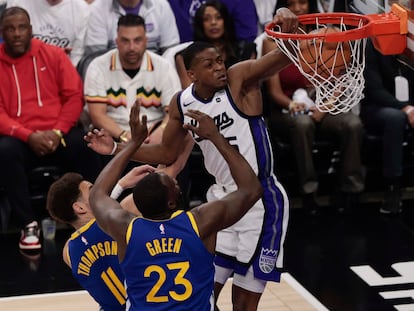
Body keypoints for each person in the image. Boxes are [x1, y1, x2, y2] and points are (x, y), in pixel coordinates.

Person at [85, 8, 298, 310]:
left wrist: (290, 31)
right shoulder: (181, 102)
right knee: (202, 290)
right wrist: (117, 149)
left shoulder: (239, 79)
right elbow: (166, 153)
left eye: (220, 61)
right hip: (221, 198)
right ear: (191, 74)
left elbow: (281, 58)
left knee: (243, 304)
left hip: (260, 201)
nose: (220, 68)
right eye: (209, 65)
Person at [88, 101, 263, 310]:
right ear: (172, 201)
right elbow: (251, 189)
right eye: (174, 184)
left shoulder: (126, 229)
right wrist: (216, 137)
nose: (177, 181)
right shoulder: (200, 222)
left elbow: (97, 194)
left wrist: (134, 143)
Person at [0, 7, 102, 251]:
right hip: (20, 137)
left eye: (21, 27)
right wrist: (28, 135)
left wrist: (57, 132)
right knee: (4, 151)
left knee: (88, 144)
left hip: (58, 134)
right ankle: (28, 224)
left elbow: (74, 97)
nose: (16, 33)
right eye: (10, 29)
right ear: (2, 33)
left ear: (31, 30)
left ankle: (91, 218)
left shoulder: (54, 55)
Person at [262, 0, 365, 214]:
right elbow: (274, 92)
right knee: (302, 123)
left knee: (352, 124)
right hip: (288, 107)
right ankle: (309, 191)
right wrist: (293, 104)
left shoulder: (326, 34)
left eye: (302, 3)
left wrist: (325, 107)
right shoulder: (271, 42)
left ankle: (349, 188)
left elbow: (342, 79)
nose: (298, 8)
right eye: (292, 4)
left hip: (323, 104)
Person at [84, 14, 193, 181]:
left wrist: (160, 132)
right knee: (93, 145)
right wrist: (125, 136)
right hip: (115, 133)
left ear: (146, 40)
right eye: (125, 41)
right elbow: (98, 115)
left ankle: (175, 205)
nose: (132, 47)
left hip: (154, 134)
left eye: (137, 40)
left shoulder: (163, 67)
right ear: (117, 41)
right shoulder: (98, 66)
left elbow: (173, 112)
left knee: (178, 142)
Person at [46, 165, 155, 311]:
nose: (99, 192)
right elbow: (167, 172)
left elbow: (97, 222)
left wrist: (121, 185)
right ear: (79, 208)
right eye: (93, 191)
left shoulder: (68, 251)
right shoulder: (121, 218)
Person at [360, 39, 414, 215]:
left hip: (409, 105)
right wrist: (405, 108)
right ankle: (392, 186)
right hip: (378, 106)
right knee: (395, 118)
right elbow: (374, 90)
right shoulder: (372, 43)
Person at [174, 0, 257, 89]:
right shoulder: (185, 58)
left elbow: (249, 88)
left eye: (218, 17)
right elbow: (189, 95)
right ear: (200, 24)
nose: (213, 22)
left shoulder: (246, 50)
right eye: (206, 19)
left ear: (225, 21)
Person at [6, 0, 90, 66]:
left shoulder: (82, 9)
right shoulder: (19, 3)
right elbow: (11, 47)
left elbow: (76, 57)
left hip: (62, 71)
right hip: (24, 68)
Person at [84, 0, 179, 56]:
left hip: (156, 75)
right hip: (111, 77)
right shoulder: (98, 10)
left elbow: (171, 54)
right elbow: (96, 58)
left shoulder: (161, 5)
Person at [168, 0, 258, 44]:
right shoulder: (171, 3)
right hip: (190, 57)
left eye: (218, 17)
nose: (213, 22)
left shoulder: (240, 2)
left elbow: (247, 40)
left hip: (232, 56)